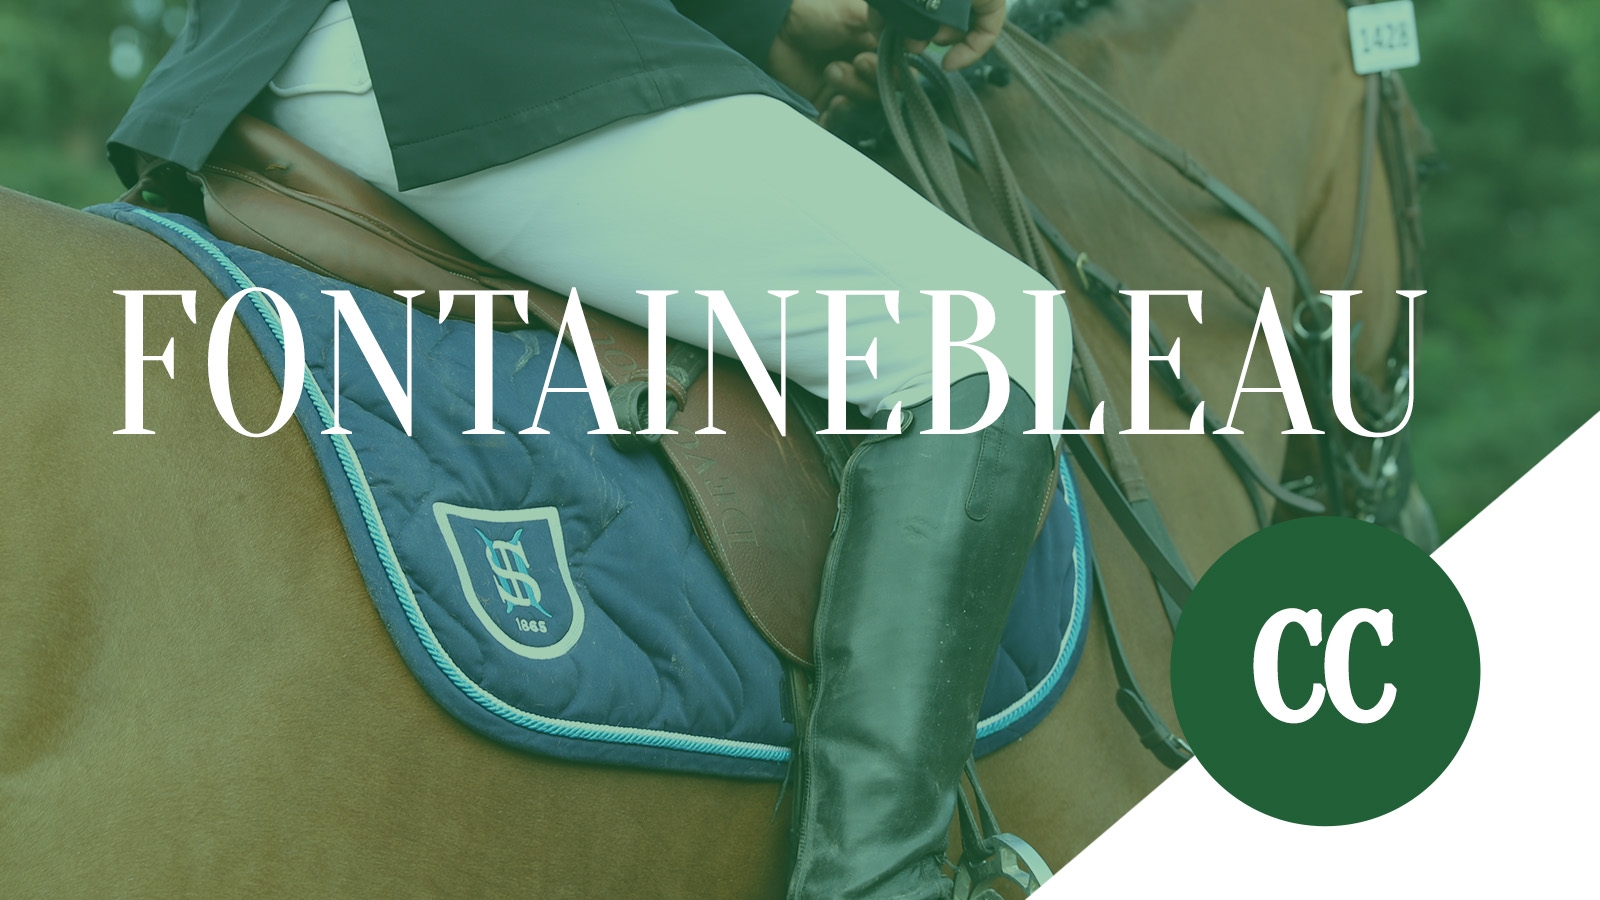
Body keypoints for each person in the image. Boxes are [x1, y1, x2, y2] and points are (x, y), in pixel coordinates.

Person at [109, 2, 1069, 897]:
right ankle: (879, 879)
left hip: (277, 61)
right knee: (993, 328)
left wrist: (775, 23)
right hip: (477, 50)